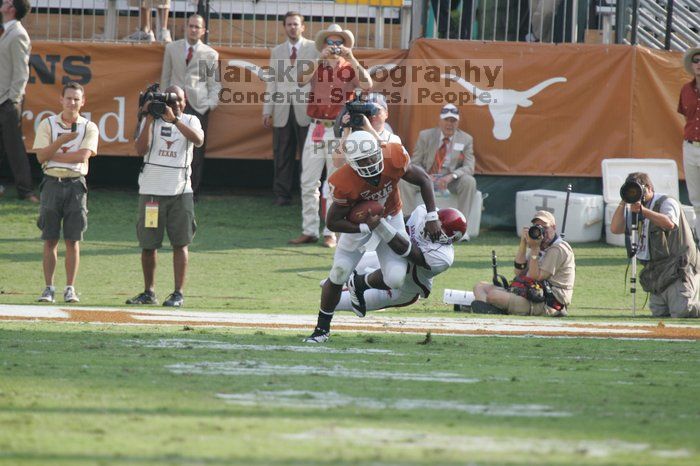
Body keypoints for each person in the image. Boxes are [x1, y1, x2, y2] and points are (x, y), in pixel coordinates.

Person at [303, 123, 442, 344]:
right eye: (362, 160)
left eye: (371, 157)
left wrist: (433, 216)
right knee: (338, 272)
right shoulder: (343, 181)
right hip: (360, 226)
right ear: (352, 162)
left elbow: (424, 179)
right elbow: (333, 221)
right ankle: (322, 329)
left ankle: (359, 282)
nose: (369, 164)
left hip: (391, 217)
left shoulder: (394, 156)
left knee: (395, 279)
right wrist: (366, 226)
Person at [290, 23, 372, 249]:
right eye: (331, 42)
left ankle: (331, 231)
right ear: (324, 45)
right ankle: (309, 230)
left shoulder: (349, 66)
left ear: (345, 46)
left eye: (339, 42)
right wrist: (319, 58)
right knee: (308, 182)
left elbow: (367, 84)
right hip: (317, 128)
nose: (335, 47)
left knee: (336, 183)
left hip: (340, 131)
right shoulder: (317, 65)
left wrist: (352, 57)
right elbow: (300, 80)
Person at [126, 85, 204, 307]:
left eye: (179, 100)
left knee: (181, 243)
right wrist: (148, 118)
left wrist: (175, 120)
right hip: (151, 193)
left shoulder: (190, 120)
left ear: (185, 101)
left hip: (180, 192)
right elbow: (140, 149)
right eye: (171, 101)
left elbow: (198, 141)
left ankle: (178, 293)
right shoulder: (151, 121)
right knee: (148, 245)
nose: (175, 104)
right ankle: (149, 292)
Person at [332, 206, 466, 316]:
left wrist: (380, 225)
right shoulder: (422, 212)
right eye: (436, 226)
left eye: (440, 233)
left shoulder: (443, 256)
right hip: (386, 261)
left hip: (403, 288)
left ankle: (358, 283)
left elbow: (406, 251)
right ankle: (355, 283)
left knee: (335, 302)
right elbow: (399, 225)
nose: (434, 231)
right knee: (336, 275)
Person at [32, 82, 99, 303]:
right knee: (50, 238)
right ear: (61, 100)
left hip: (76, 184)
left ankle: (70, 288)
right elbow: (40, 157)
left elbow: (82, 157)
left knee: (73, 239)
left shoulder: (89, 127)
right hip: (51, 182)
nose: (72, 103)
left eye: (76, 99)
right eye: (68, 98)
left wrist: (53, 153)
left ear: (83, 101)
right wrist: (61, 142)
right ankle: (49, 287)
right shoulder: (48, 124)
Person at [610, 172, 700, 318]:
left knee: (682, 311)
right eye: (631, 190)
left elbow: (669, 223)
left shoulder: (666, 202)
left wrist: (644, 211)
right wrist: (623, 201)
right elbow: (615, 228)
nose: (635, 194)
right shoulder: (635, 208)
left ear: (649, 188)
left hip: (679, 268)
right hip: (658, 271)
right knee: (660, 313)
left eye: (638, 190)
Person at [160, 14, 220, 201]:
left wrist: (209, 104)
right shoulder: (171, 48)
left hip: (197, 106)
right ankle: (168, 187)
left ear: (203, 31)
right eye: (191, 26)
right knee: (167, 145)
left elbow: (214, 83)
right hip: (173, 103)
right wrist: (163, 101)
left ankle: (191, 190)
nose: (193, 30)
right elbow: (165, 76)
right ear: (186, 27)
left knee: (196, 150)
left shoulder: (210, 54)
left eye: (197, 27)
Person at [471, 210, 575, 316]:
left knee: (493, 296)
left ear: (554, 227)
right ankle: (495, 309)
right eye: (538, 227)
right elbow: (519, 271)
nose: (542, 231)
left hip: (548, 302)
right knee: (480, 287)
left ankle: (496, 308)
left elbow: (536, 277)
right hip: (530, 293)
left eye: (545, 227)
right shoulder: (539, 244)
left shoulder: (558, 249)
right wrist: (523, 243)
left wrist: (534, 248)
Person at [263, 11, 316, 207]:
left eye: (296, 24)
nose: (292, 27)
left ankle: (308, 195)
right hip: (282, 108)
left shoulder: (314, 48)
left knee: (309, 155)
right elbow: (272, 83)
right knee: (282, 153)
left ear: (303, 27)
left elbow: (318, 80)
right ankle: (282, 195)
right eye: (289, 24)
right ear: (284, 27)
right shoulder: (277, 51)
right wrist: (267, 110)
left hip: (307, 109)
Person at [399, 103, 476, 221]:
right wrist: (426, 176)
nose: (450, 124)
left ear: (458, 123)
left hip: (450, 180)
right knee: (404, 181)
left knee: (469, 181)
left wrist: (452, 176)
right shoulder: (425, 135)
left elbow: (469, 167)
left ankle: (461, 224)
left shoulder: (466, 139)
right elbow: (415, 162)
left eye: (453, 121)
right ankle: (407, 223)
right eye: (447, 120)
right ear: (440, 121)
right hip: (427, 177)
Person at [0, 0, 37, 202]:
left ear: (12, 9)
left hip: (7, 101)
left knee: (14, 147)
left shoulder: (18, 34)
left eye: (7, 1)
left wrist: (12, 99)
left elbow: (22, 72)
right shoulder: (5, 30)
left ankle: (26, 191)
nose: (3, 2)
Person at [678, 45, 700, 239]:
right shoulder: (686, 89)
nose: (699, 64)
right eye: (696, 60)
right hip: (690, 145)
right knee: (695, 198)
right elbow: (687, 115)